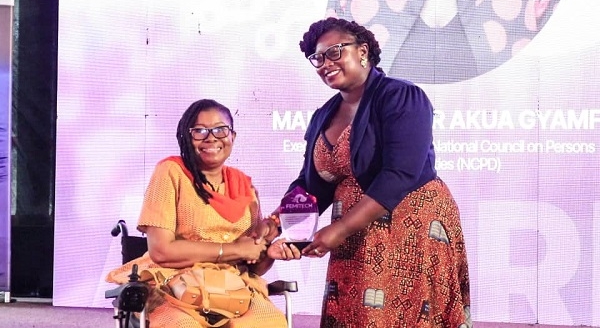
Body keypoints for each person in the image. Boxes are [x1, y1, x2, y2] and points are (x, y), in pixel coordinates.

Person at [278, 17, 471, 327]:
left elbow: (400, 173)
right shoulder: (323, 115)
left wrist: (339, 230)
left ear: (363, 51)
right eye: (317, 57)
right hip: (354, 237)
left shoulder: (402, 96)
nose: (324, 63)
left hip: (408, 227)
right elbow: (311, 186)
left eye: (335, 52)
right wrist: (278, 228)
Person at [106, 99, 298, 328]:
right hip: (175, 286)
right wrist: (233, 249)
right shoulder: (170, 173)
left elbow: (253, 263)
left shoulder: (245, 187)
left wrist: (269, 253)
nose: (211, 137)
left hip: (235, 288)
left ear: (232, 137)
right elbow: (161, 251)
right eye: (200, 131)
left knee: (269, 323)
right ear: (187, 137)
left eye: (220, 129)